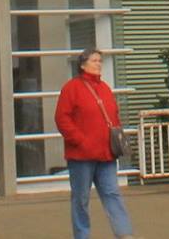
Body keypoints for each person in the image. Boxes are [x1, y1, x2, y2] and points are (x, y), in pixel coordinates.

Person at [53, 48, 135, 239]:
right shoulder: (71, 88)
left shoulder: (105, 88)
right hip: (81, 156)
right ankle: (82, 235)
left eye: (100, 60)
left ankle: (124, 233)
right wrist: (80, 140)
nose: (99, 64)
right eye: (94, 60)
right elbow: (62, 118)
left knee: (112, 194)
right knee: (81, 199)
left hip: (106, 154)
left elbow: (114, 117)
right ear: (83, 65)